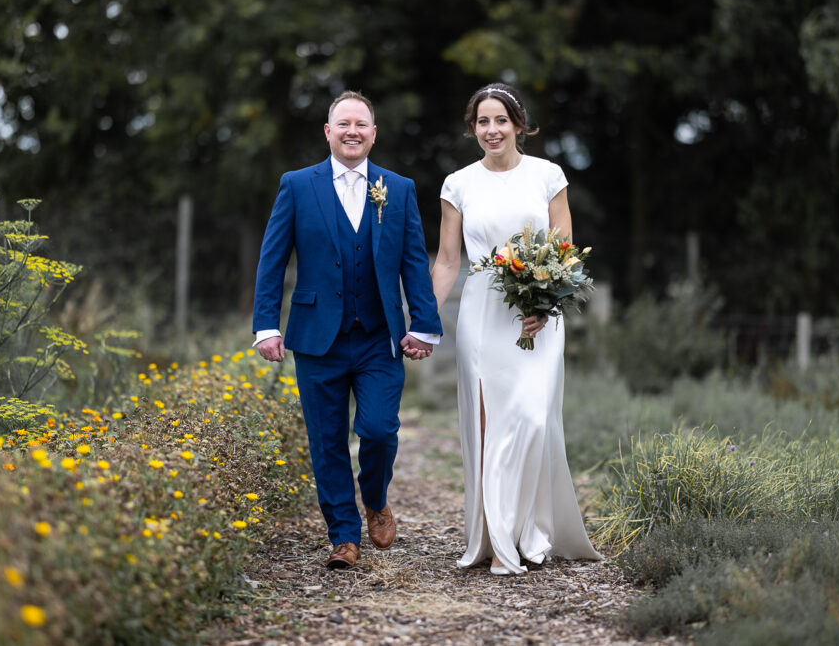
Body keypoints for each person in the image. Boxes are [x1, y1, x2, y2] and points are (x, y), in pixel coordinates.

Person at [252, 91, 442, 570]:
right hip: (317, 337)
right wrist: (265, 326)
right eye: (343, 124)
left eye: (361, 124)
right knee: (327, 439)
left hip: (380, 336)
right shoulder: (297, 185)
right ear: (328, 132)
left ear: (373, 133)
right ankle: (343, 535)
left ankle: (375, 499)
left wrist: (425, 325)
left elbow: (414, 261)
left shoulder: (397, 189)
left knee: (378, 429)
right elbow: (272, 260)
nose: (352, 131)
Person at [430, 83, 601, 575]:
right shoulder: (457, 184)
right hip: (483, 313)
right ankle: (496, 537)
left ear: (519, 125)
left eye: (500, 120)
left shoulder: (548, 176)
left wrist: (547, 304)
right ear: (472, 129)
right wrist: (420, 318)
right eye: (482, 122)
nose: (492, 130)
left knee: (531, 417)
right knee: (489, 426)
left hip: (538, 313)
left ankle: (531, 532)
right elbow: (446, 260)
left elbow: (564, 247)